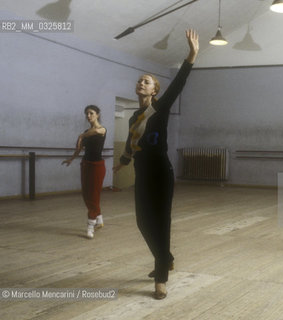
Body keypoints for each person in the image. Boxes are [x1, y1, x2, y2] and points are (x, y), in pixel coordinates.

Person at [113, 29, 199, 300]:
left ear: (155, 90)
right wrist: (123, 161)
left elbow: (178, 84)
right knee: (142, 222)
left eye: (147, 81)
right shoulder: (133, 118)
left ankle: (161, 276)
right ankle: (167, 257)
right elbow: (131, 142)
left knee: (161, 223)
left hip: (161, 173)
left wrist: (191, 55)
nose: (141, 83)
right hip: (143, 173)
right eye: (139, 80)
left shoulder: (159, 109)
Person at [62, 105, 107, 239]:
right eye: (86, 113)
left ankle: (90, 226)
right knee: (86, 195)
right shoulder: (86, 132)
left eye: (91, 113)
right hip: (86, 165)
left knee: (93, 196)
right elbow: (79, 148)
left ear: (97, 114)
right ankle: (99, 219)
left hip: (97, 166)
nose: (88, 116)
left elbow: (96, 132)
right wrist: (71, 159)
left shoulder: (102, 129)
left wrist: (81, 135)